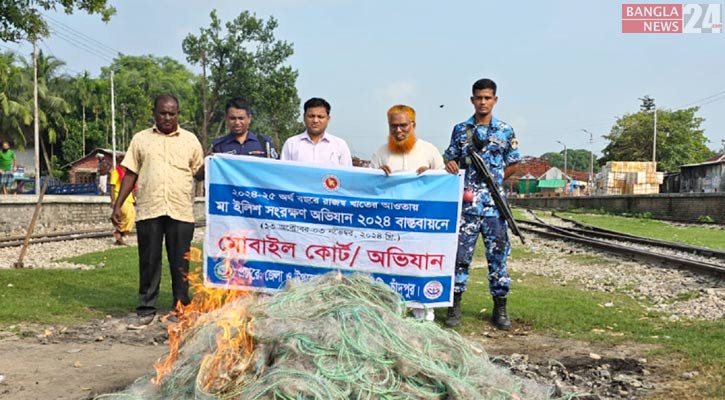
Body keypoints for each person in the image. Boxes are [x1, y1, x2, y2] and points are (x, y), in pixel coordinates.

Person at [111, 94, 204, 325]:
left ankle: (181, 305)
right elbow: (130, 173)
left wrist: (215, 163)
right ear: (154, 113)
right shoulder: (141, 140)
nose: (167, 117)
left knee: (180, 262)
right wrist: (118, 204)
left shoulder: (190, 140)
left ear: (178, 114)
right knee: (149, 261)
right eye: (163, 113)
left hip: (180, 210)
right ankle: (146, 308)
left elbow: (199, 172)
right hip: (149, 209)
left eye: (172, 113)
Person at [442, 79, 521, 330]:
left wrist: (494, 183)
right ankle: (454, 307)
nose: (483, 102)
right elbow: (449, 157)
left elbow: (514, 163)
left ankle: (500, 308)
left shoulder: (505, 131)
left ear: (495, 100)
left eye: (487, 98)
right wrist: (451, 165)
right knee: (459, 258)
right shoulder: (460, 130)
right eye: (479, 98)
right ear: (472, 100)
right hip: (466, 207)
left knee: (498, 258)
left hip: (494, 208)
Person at [371, 104, 445, 321]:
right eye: (393, 126)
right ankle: (388, 314)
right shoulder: (380, 153)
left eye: (403, 125)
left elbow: (444, 185)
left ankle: (423, 313)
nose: (398, 130)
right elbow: (368, 188)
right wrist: (376, 175)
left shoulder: (429, 151)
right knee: (387, 266)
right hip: (388, 224)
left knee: (418, 266)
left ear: (413, 125)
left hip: (420, 224)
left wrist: (432, 175)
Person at [194, 98, 277, 180]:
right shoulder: (219, 146)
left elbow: (278, 172)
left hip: (257, 193)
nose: (237, 122)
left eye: (241, 118)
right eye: (232, 118)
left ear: (249, 118)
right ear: (226, 119)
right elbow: (200, 177)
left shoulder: (264, 144)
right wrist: (209, 161)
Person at [280, 97, 352, 166]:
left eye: (320, 117)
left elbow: (347, 175)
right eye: (311, 116)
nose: (315, 120)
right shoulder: (291, 144)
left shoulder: (340, 145)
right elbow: (283, 174)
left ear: (328, 119)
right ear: (304, 117)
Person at [109, 162, 135, 245]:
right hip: (119, 198)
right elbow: (112, 187)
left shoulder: (128, 174)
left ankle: (119, 234)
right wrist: (113, 200)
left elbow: (132, 187)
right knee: (127, 215)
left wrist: (134, 198)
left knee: (132, 217)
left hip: (129, 198)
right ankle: (118, 233)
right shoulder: (115, 172)